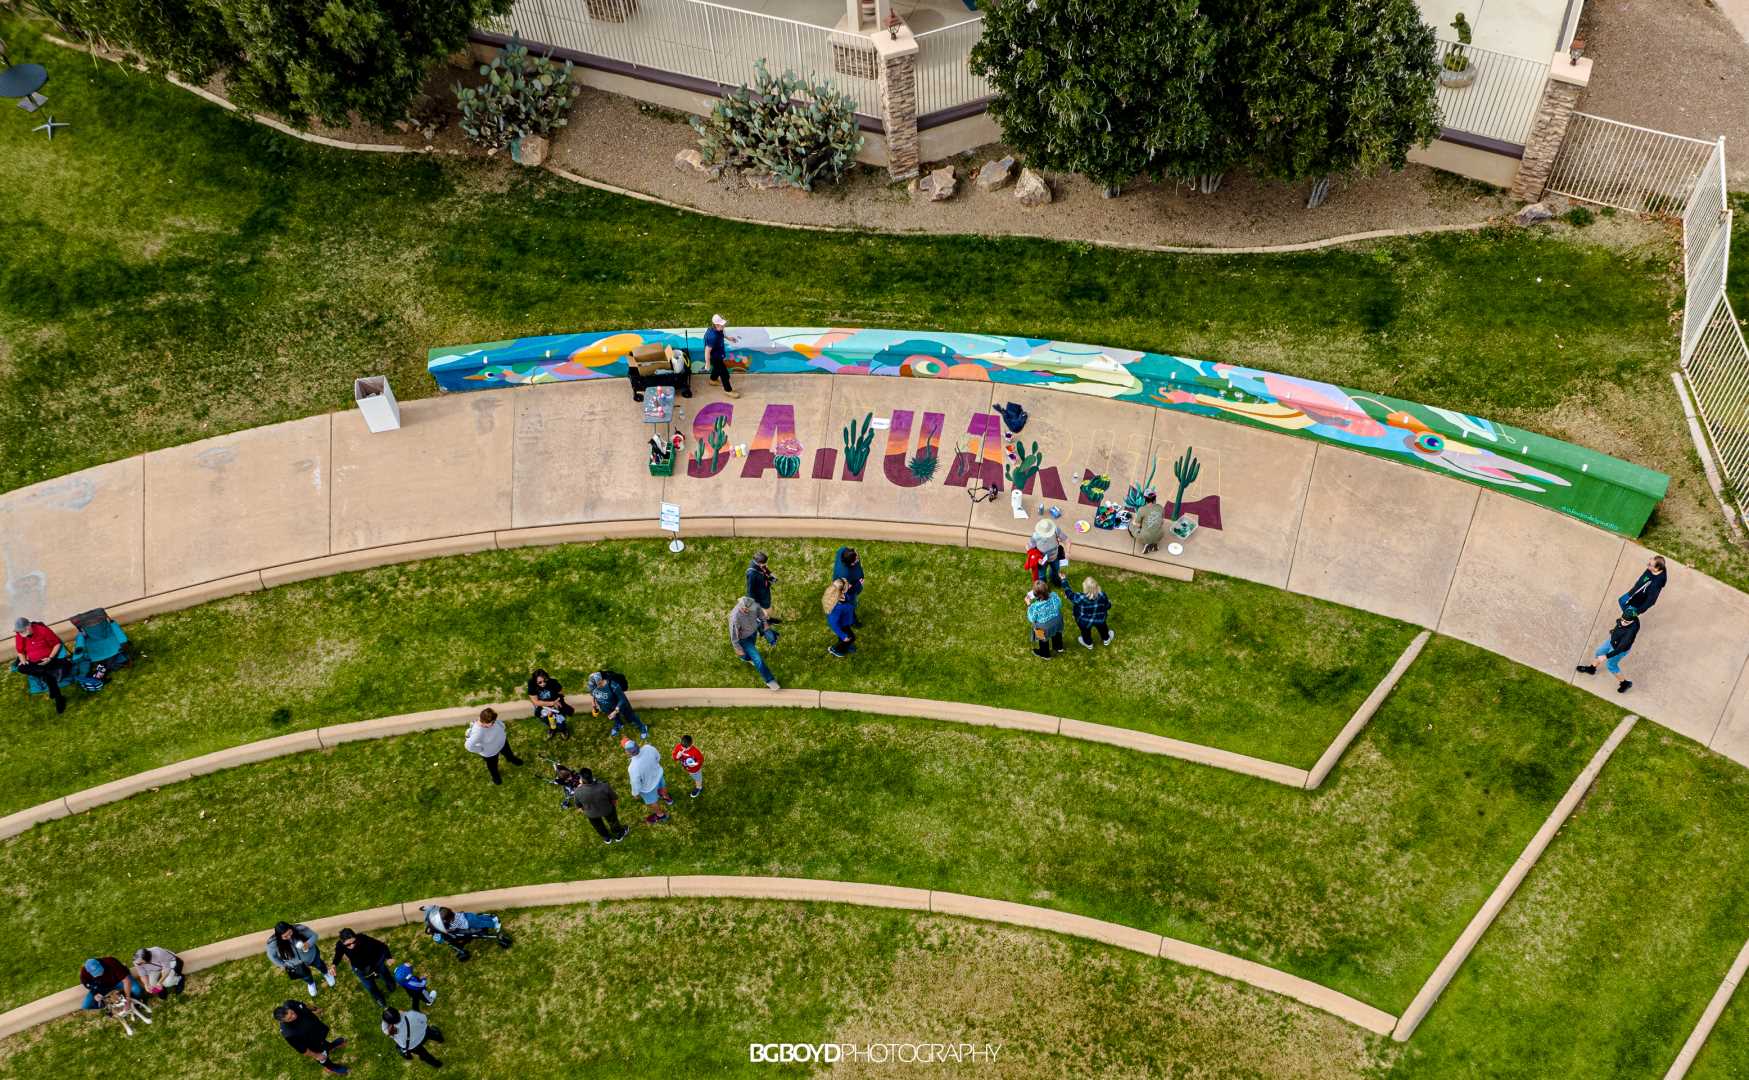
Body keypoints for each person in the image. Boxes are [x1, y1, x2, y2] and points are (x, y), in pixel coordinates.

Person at [12, 615, 70, 714]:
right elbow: (20, 651)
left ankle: (59, 699)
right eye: (20, 632)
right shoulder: (19, 635)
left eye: (23, 631)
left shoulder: (43, 631)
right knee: (21, 668)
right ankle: (46, 676)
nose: (21, 634)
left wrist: (50, 658)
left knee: (47, 674)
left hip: (47, 660)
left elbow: (57, 644)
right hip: (34, 663)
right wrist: (23, 660)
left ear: (29, 626)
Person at [276, 1000, 349, 1075]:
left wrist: (314, 1009)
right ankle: (332, 1067)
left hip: (318, 1031)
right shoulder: (288, 1034)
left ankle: (330, 1047)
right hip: (313, 1044)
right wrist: (317, 1056)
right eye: (289, 1018)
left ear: (287, 1008)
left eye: (292, 1012)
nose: (294, 1016)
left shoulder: (289, 1004)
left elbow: (304, 1005)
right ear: (283, 1021)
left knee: (324, 1043)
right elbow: (303, 1050)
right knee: (323, 1058)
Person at [1578, 607, 1640, 693]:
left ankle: (1625, 683)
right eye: (1622, 619)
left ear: (1632, 621)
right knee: (1599, 652)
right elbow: (1622, 621)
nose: (1623, 622)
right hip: (1612, 641)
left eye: (1626, 622)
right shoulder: (1631, 616)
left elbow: (1620, 649)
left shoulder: (1630, 633)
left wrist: (1606, 656)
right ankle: (1591, 669)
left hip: (1619, 649)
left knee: (1611, 665)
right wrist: (1614, 631)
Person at [332, 928, 398, 1008]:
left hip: (375, 962)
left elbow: (382, 946)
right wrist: (334, 964)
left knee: (384, 973)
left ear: (355, 937)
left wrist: (388, 957)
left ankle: (390, 984)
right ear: (342, 943)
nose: (352, 945)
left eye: (354, 942)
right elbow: (338, 954)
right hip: (360, 968)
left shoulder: (363, 939)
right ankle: (379, 998)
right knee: (370, 986)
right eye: (348, 945)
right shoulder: (340, 945)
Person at [267, 922, 335, 998]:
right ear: (279, 937)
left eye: (290, 933)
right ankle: (311, 983)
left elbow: (314, 935)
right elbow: (272, 956)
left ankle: (326, 974)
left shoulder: (299, 929)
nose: (289, 937)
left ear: (291, 928)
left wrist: (308, 944)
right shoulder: (273, 943)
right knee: (306, 976)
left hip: (312, 956)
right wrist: (283, 965)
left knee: (320, 965)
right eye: (285, 936)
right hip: (297, 965)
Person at [561, 765, 629, 843]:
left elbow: (579, 806)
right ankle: (618, 835)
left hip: (591, 814)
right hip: (607, 809)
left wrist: (587, 810)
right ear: (592, 776)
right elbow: (614, 799)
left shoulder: (577, 792)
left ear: (582, 780)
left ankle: (606, 838)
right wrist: (612, 806)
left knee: (598, 826)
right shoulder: (604, 786)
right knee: (613, 822)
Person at [730, 596, 780, 690]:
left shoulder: (753, 605)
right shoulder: (735, 617)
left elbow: (760, 613)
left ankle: (746, 657)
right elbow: (734, 636)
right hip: (744, 639)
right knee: (758, 659)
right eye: (745, 609)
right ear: (740, 606)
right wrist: (738, 649)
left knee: (750, 653)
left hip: (753, 632)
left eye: (749, 608)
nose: (747, 611)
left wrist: (765, 623)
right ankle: (770, 681)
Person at [464, 707, 524, 785]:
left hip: (503, 743)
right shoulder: (478, 732)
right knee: (493, 766)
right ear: (484, 722)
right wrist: (481, 749)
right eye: (492, 722)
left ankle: (511, 759)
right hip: (491, 753)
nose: (494, 723)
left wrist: (502, 728)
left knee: (509, 753)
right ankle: (495, 776)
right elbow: (469, 746)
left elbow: (499, 723)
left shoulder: (491, 720)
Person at [625, 737, 673, 824]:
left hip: (648, 788)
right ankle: (667, 798)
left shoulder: (632, 768)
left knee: (652, 802)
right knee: (663, 787)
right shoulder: (648, 748)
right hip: (658, 775)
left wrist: (635, 794)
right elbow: (658, 757)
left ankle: (660, 815)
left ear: (628, 753)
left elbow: (636, 784)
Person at [588, 671, 647, 739]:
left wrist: (615, 711)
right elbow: (592, 692)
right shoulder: (592, 685)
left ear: (599, 682)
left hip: (620, 706)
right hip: (606, 707)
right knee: (615, 718)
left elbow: (622, 699)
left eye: (594, 686)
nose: (592, 687)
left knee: (631, 718)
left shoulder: (613, 686)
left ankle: (642, 728)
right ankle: (619, 724)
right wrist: (593, 703)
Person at [1063, 577, 1114, 649]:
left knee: (1085, 632)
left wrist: (1064, 580)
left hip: (1084, 620)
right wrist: (1109, 604)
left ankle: (1088, 644)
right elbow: (1107, 605)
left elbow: (1069, 594)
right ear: (1097, 587)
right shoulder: (1102, 595)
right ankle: (1106, 639)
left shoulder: (1080, 597)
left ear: (1085, 588)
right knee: (1103, 628)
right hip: (1100, 618)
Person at [526, 669, 575, 737]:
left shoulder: (553, 682)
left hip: (556, 705)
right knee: (547, 721)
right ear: (535, 682)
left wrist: (558, 702)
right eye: (539, 682)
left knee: (560, 722)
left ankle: (563, 730)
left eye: (545, 681)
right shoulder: (532, 685)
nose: (543, 684)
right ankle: (552, 729)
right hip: (542, 707)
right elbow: (536, 702)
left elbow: (561, 693)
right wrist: (551, 703)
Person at [1026, 580, 1066, 658]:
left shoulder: (1035, 606)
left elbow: (1032, 618)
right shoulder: (1054, 595)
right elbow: (1060, 604)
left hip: (1043, 627)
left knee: (1043, 640)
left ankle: (1045, 654)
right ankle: (1059, 647)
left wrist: (1029, 605)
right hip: (1057, 622)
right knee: (1057, 633)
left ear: (1036, 595)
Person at [703, 313, 739, 399]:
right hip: (715, 357)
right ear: (716, 325)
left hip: (718, 354)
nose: (724, 326)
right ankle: (728, 390)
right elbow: (707, 351)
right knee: (724, 374)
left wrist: (729, 338)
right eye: (722, 325)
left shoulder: (719, 329)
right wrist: (707, 363)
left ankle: (713, 380)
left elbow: (722, 334)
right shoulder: (712, 336)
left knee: (717, 368)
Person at [1025, 520, 1068, 589]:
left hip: (1054, 557)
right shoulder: (1035, 536)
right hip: (1042, 561)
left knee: (1055, 571)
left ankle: (1054, 580)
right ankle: (1044, 588)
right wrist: (1038, 558)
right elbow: (1028, 547)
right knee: (1041, 575)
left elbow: (1067, 540)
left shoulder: (1056, 530)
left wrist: (1068, 552)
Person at [832, 546, 865, 625]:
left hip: (851, 581)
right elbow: (847, 589)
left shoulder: (842, 550)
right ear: (850, 564)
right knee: (851, 605)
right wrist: (858, 584)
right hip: (848, 591)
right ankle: (852, 620)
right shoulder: (844, 574)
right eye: (856, 559)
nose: (858, 558)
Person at [825, 578, 857, 659]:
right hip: (842, 625)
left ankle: (846, 645)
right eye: (847, 586)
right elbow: (833, 624)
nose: (849, 585)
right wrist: (843, 636)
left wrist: (858, 585)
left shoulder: (842, 595)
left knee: (847, 638)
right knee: (851, 637)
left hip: (846, 622)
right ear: (841, 591)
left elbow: (849, 598)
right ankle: (835, 649)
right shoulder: (836, 608)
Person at [1129, 491, 1166, 555]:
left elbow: (1138, 524)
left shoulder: (1142, 509)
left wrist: (1134, 522)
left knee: (1131, 526)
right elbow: (1162, 522)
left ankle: (1147, 544)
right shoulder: (1160, 507)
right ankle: (1154, 543)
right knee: (1154, 530)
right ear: (1155, 498)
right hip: (1160, 535)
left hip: (1145, 537)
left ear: (1145, 499)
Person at [746, 551, 779, 622]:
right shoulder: (751, 574)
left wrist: (771, 577)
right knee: (765, 608)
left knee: (767, 606)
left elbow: (765, 571)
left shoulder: (759, 565)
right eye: (764, 563)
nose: (765, 564)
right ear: (758, 562)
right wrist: (751, 602)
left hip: (764, 591)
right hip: (760, 595)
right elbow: (750, 590)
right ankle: (764, 620)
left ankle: (766, 618)